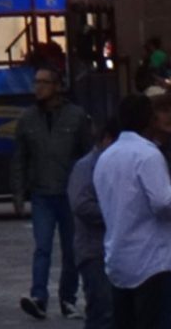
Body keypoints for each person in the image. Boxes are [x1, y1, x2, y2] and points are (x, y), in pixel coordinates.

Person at [18, 69, 96, 320]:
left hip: (69, 194)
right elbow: (19, 159)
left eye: (44, 83)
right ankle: (39, 297)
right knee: (42, 247)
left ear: (58, 86)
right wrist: (18, 193)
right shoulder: (27, 119)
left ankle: (68, 299)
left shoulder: (76, 117)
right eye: (36, 82)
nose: (38, 87)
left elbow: (88, 154)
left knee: (71, 249)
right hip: (42, 193)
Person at [94, 98, 171, 329]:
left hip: (118, 257)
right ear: (150, 120)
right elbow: (162, 202)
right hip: (151, 260)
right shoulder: (148, 155)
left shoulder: (106, 157)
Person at [72, 123, 116, 329]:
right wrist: (115, 212)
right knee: (101, 311)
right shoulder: (86, 166)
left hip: (111, 250)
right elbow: (81, 205)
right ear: (106, 138)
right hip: (93, 250)